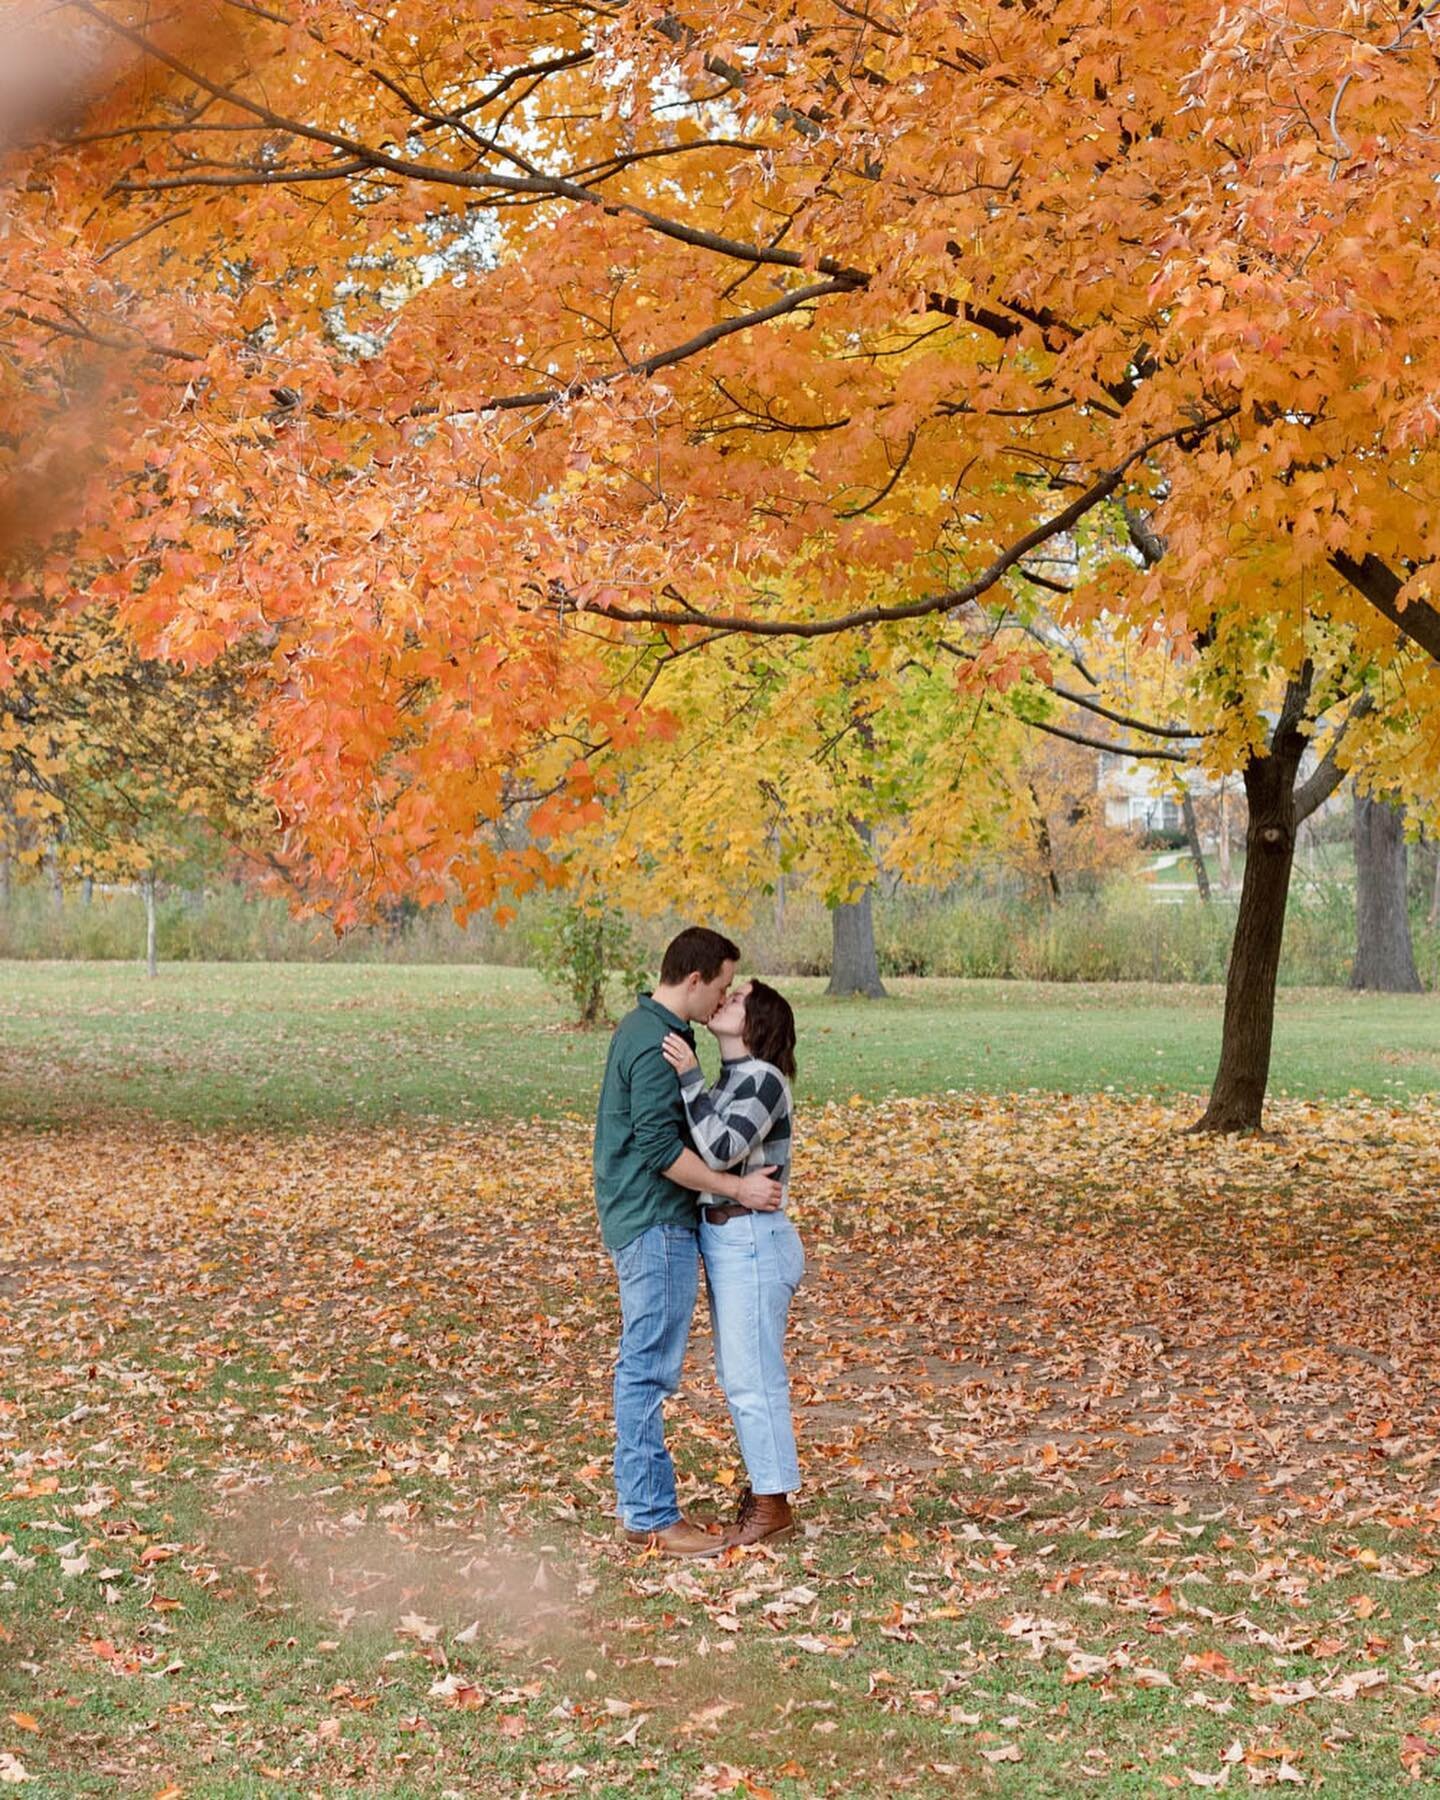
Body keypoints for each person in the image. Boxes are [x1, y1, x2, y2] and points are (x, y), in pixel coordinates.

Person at [593, 927, 784, 1558]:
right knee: (647, 1368)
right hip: (654, 1222)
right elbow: (662, 1152)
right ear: (696, 979)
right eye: (724, 985)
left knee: (646, 1365)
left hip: (653, 1220)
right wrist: (737, 1187)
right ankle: (651, 1516)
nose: (724, 998)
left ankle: (643, 1505)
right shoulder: (656, 1043)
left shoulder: (654, 1033)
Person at [661, 979, 803, 1548]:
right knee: (739, 1375)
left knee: (752, 1377)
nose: (725, 999)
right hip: (730, 1238)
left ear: (758, 1022)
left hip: (752, 1240)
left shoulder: (763, 1081)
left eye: (739, 997)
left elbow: (718, 1150)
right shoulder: (733, 1081)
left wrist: (689, 1078)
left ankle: (772, 1505)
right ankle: (769, 1491)